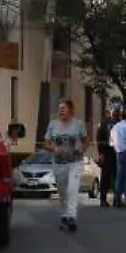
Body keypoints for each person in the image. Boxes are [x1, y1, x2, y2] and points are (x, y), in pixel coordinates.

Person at [44, 99, 88, 233]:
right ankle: (64, 215)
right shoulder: (53, 125)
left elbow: (86, 140)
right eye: (59, 109)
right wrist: (54, 149)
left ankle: (72, 217)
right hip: (59, 163)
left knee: (72, 190)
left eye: (63, 108)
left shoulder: (78, 124)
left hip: (75, 162)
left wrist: (82, 149)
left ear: (70, 110)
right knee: (63, 191)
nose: (60, 111)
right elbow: (46, 143)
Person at [98, 105, 117, 207]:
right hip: (114, 152)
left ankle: (103, 199)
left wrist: (100, 153)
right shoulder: (117, 123)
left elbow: (99, 139)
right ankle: (116, 199)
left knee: (105, 176)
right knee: (116, 176)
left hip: (106, 152)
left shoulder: (103, 123)